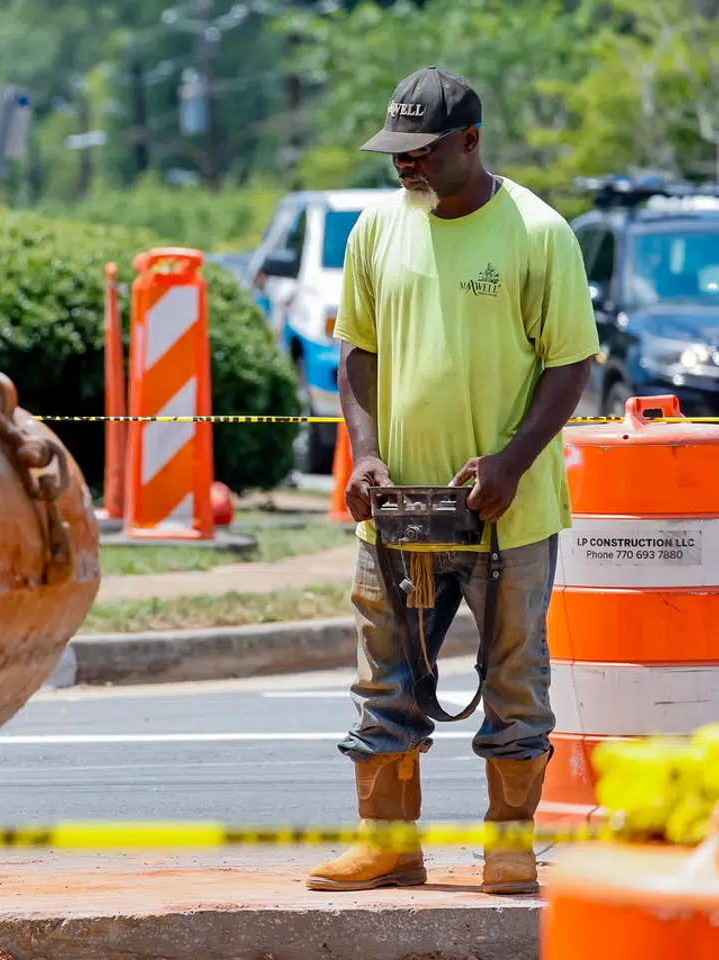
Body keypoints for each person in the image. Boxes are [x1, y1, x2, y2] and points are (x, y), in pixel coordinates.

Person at [305, 66, 601, 896]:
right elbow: (355, 350)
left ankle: (508, 847)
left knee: (514, 676)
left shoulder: (537, 233)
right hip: (399, 510)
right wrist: (363, 453)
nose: (406, 167)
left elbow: (571, 362)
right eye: (396, 153)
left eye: (422, 152)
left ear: (470, 141)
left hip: (507, 510)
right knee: (385, 675)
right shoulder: (376, 230)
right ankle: (388, 845)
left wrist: (510, 462)